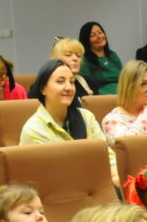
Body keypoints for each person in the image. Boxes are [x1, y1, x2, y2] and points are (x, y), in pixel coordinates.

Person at [20, 60, 119, 188]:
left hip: (95, 186)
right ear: (43, 89)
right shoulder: (34, 129)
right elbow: (53, 174)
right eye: (60, 81)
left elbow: (106, 157)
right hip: (57, 191)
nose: (69, 87)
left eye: (72, 82)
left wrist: (117, 177)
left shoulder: (86, 117)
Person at [77, 21, 121, 94]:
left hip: (123, 95)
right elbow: (86, 86)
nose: (99, 37)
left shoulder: (112, 55)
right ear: (86, 40)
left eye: (100, 33)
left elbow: (125, 77)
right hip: (101, 97)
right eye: (93, 35)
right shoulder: (84, 60)